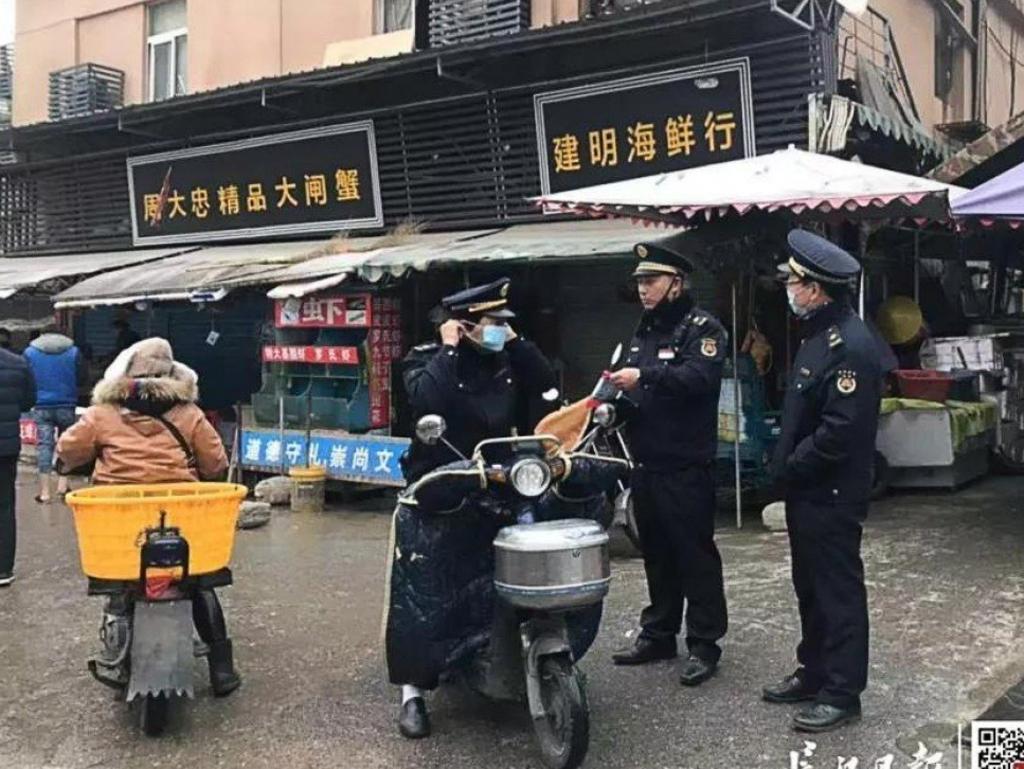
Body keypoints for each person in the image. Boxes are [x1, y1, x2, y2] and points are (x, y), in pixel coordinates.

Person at [390, 277, 559, 739]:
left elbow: (547, 388)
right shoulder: (426, 360)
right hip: (442, 487)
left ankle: (507, 656)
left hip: (499, 483)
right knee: (425, 593)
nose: (500, 332)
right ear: (462, 327)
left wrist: (518, 342)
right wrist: (446, 349)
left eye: (505, 324)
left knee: (509, 571)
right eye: (491, 323)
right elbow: (424, 401)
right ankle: (412, 691)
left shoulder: (507, 360)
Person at [56, 338, 240, 696]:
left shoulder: (102, 413)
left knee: (120, 578)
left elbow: (68, 450)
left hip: (119, 520)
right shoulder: (189, 413)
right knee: (199, 581)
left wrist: (69, 462)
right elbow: (215, 462)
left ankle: (117, 651)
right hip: (182, 516)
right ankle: (222, 668)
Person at [763, 230, 882, 733]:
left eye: (793, 282)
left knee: (837, 592)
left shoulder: (849, 345)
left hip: (830, 492)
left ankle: (841, 693)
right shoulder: (818, 335)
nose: (788, 288)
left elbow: (839, 432)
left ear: (815, 288)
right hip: (808, 492)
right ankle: (813, 673)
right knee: (808, 588)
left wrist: (792, 465)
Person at [607, 234, 729, 687]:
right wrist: (613, 408)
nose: (643, 289)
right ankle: (658, 633)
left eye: (652, 280)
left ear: (676, 283)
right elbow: (634, 389)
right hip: (647, 464)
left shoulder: (703, 329)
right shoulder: (644, 328)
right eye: (639, 281)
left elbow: (697, 379)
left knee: (694, 556)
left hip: (686, 465)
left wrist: (646, 375)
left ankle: (704, 644)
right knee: (655, 554)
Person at [23, 327, 86, 503]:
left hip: (41, 405)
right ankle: (62, 486)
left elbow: (25, 377)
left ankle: (44, 492)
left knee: (45, 445)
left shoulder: (29, 352)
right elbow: (82, 378)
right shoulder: (74, 352)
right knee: (66, 445)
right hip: (67, 403)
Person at [0, 346, 35, 586]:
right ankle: (3, 570)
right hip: (7, 446)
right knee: (4, 506)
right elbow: (28, 401)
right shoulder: (17, 362)